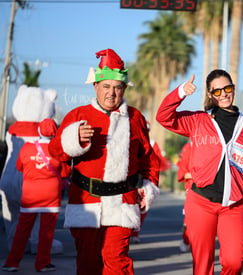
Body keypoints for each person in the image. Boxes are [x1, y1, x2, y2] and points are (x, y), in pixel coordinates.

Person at [48, 49, 160, 275]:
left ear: (125, 89)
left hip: (123, 202)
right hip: (86, 203)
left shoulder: (136, 118)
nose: (112, 93)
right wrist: (73, 140)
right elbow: (55, 152)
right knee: (88, 263)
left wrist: (148, 187)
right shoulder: (78, 115)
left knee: (116, 259)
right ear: (95, 87)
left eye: (117, 88)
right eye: (106, 87)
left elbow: (149, 158)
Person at [156, 69, 243, 275]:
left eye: (227, 89)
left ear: (233, 89)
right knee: (202, 266)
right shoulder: (198, 120)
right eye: (217, 91)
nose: (223, 94)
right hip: (200, 202)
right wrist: (180, 92)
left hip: (232, 205)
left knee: (235, 262)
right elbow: (163, 117)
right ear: (210, 94)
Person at [2, 119, 71, 272]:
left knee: (22, 230)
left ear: (39, 131)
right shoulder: (59, 150)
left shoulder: (26, 148)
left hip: (30, 196)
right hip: (51, 197)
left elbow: (20, 167)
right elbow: (65, 172)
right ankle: (43, 263)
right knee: (46, 232)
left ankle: (12, 263)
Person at [176, 141, 193, 252]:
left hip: (215, 188)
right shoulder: (189, 147)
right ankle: (186, 240)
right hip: (193, 188)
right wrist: (202, 175)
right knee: (190, 220)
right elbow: (182, 173)